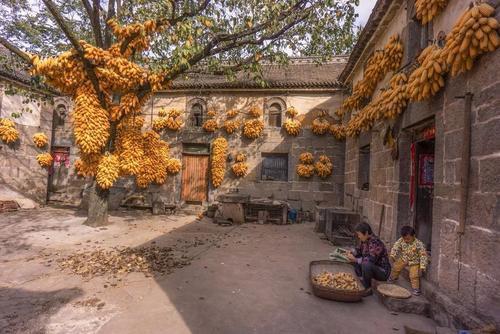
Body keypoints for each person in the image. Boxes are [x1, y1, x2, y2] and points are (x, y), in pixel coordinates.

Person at [347, 222, 391, 294]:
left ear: (366, 233)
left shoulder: (376, 242)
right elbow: (359, 250)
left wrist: (356, 260)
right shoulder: (364, 240)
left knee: (365, 264)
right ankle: (361, 280)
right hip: (372, 267)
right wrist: (351, 253)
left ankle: (367, 288)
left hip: (382, 272)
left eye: (359, 234)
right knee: (354, 259)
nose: (358, 237)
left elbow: (370, 260)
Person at [388, 226, 428, 296]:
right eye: (404, 239)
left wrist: (422, 266)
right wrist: (392, 255)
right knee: (396, 267)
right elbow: (396, 247)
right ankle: (394, 277)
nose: (406, 240)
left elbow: (423, 255)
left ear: (414, 236)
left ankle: (416, 288)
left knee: (414, 275)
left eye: (408, 239)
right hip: (404, 258)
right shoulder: (401, 240)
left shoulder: (419, 244)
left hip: (414, 261)